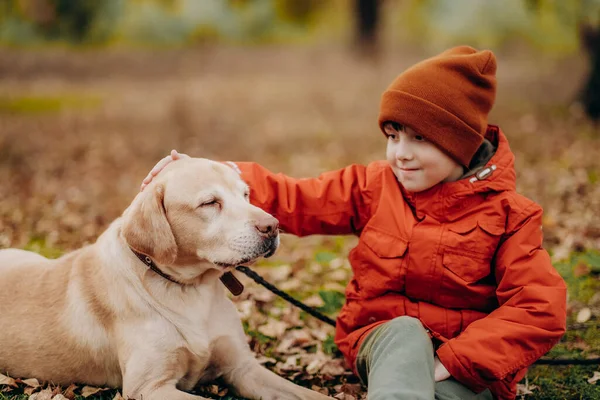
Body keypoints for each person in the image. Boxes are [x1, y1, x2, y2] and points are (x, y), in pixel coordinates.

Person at [140, 46, 567, 400]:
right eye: (393, 135)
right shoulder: (374, 186)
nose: (401, 153)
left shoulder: (513, 216)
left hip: (465, 364)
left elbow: (538, 308)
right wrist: (216, 171)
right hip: (382, 339)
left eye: (420, 138)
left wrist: (453, 362)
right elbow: (297, 199)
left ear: (461, 142)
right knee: (403, 334)